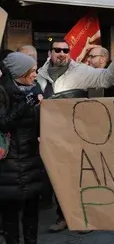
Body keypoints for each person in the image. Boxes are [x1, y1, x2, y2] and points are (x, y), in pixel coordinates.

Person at [36, 40, 114, 233]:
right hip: (51, 135)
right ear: (50, 53)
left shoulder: (81, 71)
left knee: (81, 176)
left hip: (77, 133)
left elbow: (107, 79)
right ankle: (64, 217)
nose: (62, 53)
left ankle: (86, 218)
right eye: (57, 50)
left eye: (65, 50)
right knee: (59, 177)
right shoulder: (40, 75)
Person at [0, 53, 45, 244]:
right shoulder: (2, 91)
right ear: (20, 72)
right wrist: (26, 104)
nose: (36, 74)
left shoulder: (35, 88)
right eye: (32, 71)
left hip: (32, 160)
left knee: (32, 214)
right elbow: (3, 124)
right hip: (8, 164)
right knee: (10, 218)